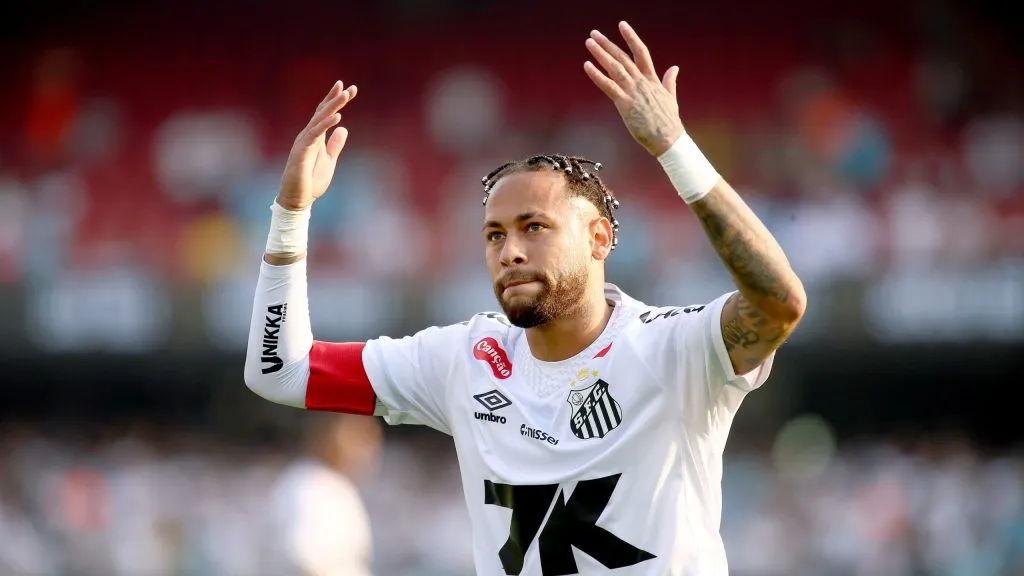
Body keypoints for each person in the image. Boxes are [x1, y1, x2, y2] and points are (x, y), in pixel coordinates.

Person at [244, 21, 806, 575]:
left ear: (599, 239)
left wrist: (675, 149)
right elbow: (282, 371)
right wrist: (291, 214)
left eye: (534, 227)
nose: (509, 251)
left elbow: (779, 301)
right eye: (494, 234)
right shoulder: (465, 360)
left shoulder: (673, 348)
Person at [263, 413, 382, 576]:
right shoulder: (309, 486)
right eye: (362, 437)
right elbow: (306, 564)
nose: (370, 450)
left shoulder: (333, 485)